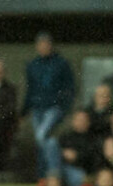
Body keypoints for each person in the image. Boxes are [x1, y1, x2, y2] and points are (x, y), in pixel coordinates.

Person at [22, 32, 75, 178]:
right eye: (40, 44)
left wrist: (65, 108)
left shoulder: (61, 63)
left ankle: (54, 173)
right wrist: (24, 111)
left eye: (46, 44)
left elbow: (69, 87)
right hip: (37, 108)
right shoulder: (32, 65)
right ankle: (45, 175)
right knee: (46, 142)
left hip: (54, 107)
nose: (43, 47)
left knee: (41, 136)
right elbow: (30, 89)